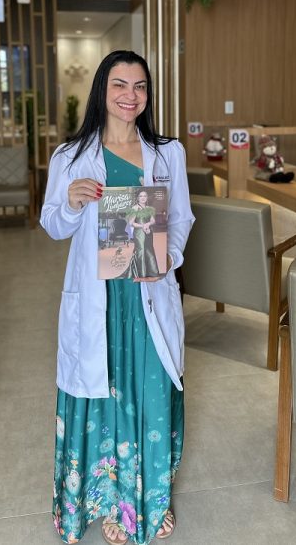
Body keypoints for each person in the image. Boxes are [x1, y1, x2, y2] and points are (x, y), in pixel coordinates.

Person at [40, 50, 194, 545]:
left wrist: (169, 258)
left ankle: (151, 497)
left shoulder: (167, 153)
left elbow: (183, 218)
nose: (131, 95)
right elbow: (52, 225)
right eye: (120, 85)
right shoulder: (70, 156)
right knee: (105, 392)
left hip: (148, 291)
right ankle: (111, 501)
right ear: (102, 91)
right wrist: (71, 201)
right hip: (98, 297)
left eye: (140, 86)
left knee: (149, 389)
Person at [126, 190, 159, 279]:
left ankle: (151, 272)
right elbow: (131, 223)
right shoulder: (135, 208)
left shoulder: (150, 208)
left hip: (148, 232)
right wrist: (142, 226)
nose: (143, 198)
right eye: (141, 196)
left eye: (145, 196)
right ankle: (141, 273)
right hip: (139, 233)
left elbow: (153, 220)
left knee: (149, 250)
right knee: (141, 250)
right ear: (138, 198)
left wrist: (148, 224)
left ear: (147, 197)